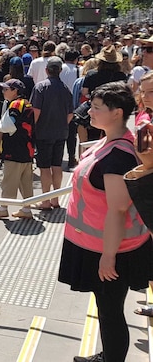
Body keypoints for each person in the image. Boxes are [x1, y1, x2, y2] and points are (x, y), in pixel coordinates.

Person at [58, 82, 153, 362]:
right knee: (106, 308)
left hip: (110, 248)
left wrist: (108, 256)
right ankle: (108, 355)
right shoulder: (109, 141)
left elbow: (118, 209)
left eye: (97, 108)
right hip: (96, 242)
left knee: (110, 312)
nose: (90, 112)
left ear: (116, 113)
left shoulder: (118, 155)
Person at [0, 79, 36, 219]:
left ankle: (3, 208)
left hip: (14, 148)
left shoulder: (15, 104)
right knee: (25, 181)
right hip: (27, 148)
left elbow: (7, 126)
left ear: (15, 91)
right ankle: (26, 210)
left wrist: (0, 128)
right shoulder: (26, 103)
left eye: (6, 89)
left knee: (9, 179)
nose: (3, 91)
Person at [30, 57, 74, 210]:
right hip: (61, 132)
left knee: (44, 167)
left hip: (43, 132)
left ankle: (45, 200)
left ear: (46, 70)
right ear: (60, 71)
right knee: (57, 165)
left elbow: (36, 112)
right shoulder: (66, 89)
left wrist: (32, 129)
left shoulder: (40, 88)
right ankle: (55, 199)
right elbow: (70, 114)